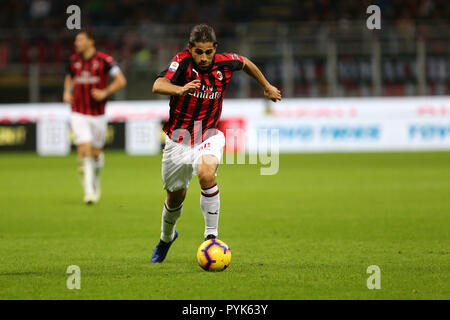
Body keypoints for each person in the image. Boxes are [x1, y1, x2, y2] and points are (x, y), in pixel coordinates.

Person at [150, 24, 281, 263]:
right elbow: (158, 85)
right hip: (178, 140)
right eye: (198, 52)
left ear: (215, 49)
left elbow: (246, 63)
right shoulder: (181, 62)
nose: (203, 57)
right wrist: (180, 89)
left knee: (206, 174)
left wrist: (266, 86)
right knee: (174, 198)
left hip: (209, 134)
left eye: (208, 52)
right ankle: (166, 238)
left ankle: (211, 238)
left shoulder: (224, 63)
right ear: (190, 49)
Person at [63, 30, 127, 204]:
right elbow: (70, 77)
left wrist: (104, 92)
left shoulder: (105, 61)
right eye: (76, 40)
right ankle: (89, 191)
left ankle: (96, 181)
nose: (77, 43)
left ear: (91, 42)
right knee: (84, 150)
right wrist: (67, 92)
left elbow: (121, 80)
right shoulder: (73, 60)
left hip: (98, 114)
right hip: (78, 112)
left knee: (97, 153)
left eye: (81, 40)